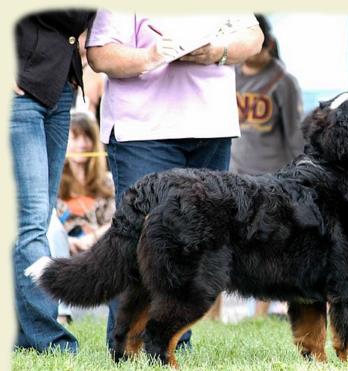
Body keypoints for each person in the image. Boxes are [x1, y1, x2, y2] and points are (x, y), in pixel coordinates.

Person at [85, 10, 263, 351]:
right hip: (144, 132)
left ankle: (172, 345)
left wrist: (216, 52)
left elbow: (253, 37)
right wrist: (151, 56)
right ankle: (127, 346)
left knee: (194, 246)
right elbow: (100, 54)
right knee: (140, 243)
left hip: (211, 129)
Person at [11, 10, 95, 353]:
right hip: (20, 91)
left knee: (35, 221)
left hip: (60, 89)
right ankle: (50, 338)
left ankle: (23, 334)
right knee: (30, 222)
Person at [230, 14, 305, 318]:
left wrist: (298, 175)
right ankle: (215, 312)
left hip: (271, 176)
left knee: (267, 246)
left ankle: (261, 311)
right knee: (229, 243)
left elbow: (294, 135)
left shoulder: (283, 81)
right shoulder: (230, 74)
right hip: (234, 171)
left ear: (268, 43)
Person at [55, 112, 115, 324]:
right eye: (75, 137)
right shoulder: (53, 182)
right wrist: (67, 242)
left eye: (86, 137)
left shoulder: (108, 183)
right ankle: (61, 315)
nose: (81, 144)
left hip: (99, 258)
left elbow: (117, 222)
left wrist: (92, 239)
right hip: (63, 259)